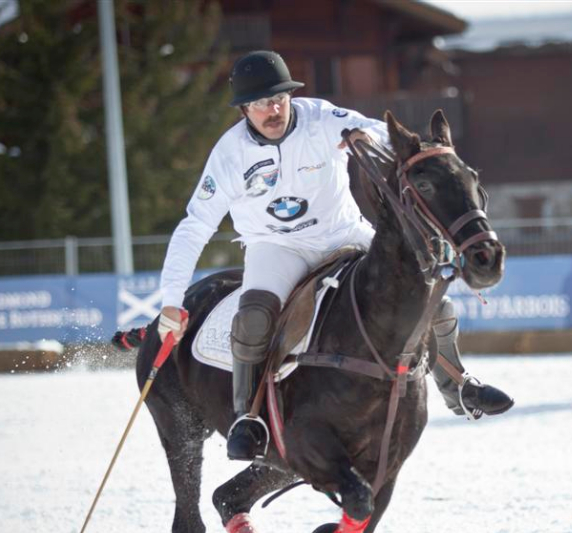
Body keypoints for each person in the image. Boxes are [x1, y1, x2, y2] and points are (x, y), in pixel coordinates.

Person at [157, 51, 513, 462]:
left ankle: (457, 385)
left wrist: (364, 137)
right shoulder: (229, 153)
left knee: (435, 300)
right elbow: (195, 225)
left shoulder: (319, 118)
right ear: (243, 109)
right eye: (260, 104)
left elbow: (374, 128)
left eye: (279, 99)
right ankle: (247, 418)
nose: (272, 110)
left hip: (342, 233)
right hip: (276, 246)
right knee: (254, 317)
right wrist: (171, 298)